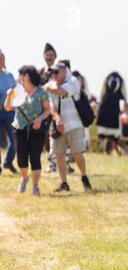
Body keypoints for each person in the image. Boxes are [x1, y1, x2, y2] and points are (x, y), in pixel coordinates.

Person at [44, 62, 92, 192]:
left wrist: (47, 88)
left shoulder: (73, 81)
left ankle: (84, 176)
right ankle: (64, 183)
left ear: (64, 72)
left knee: (77, 154)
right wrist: (57, 118)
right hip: (59, 126)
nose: (53, 75)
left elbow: (61, 92)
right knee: (59, 155)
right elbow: (51, 106)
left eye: (56, 72)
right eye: (51, 73)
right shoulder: (51, 85)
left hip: (74, 124)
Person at [4, 65, 51, 195]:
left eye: (24, 74)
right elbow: (8, 108)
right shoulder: (18, 91)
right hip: (20, 128)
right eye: (21, 75)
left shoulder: (41, 92)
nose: (21, 77)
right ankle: (24, 178)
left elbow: (48, 109)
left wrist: (40, 119)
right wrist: (8, 96)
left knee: (35, 158)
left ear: (31, 76)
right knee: (21, 158)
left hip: (37, 129)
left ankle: (35, 186)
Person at [97, 72, 127, 155]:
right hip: (109, 107)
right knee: (110, 132)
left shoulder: (109, 79)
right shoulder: (117, 80)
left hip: (111, 107)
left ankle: (109, 149)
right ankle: (108, 149)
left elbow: (102, 93)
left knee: (111, 132)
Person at [40, 43, 59, 173]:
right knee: (46, 137)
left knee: (61, 135)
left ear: (55, 56)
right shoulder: (40, 72)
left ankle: (65, 162)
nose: (49, 57)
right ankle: (51, 163)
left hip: (58, 108)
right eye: (47, 55)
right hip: (44, 109)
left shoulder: (60, 70)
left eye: (51, 55)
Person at [0, 49, 18, 175]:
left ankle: (8, 161)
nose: (1, 61)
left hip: (9, 112)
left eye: (2, 58)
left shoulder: (9, 76)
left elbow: (16, 93)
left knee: (15, 138)